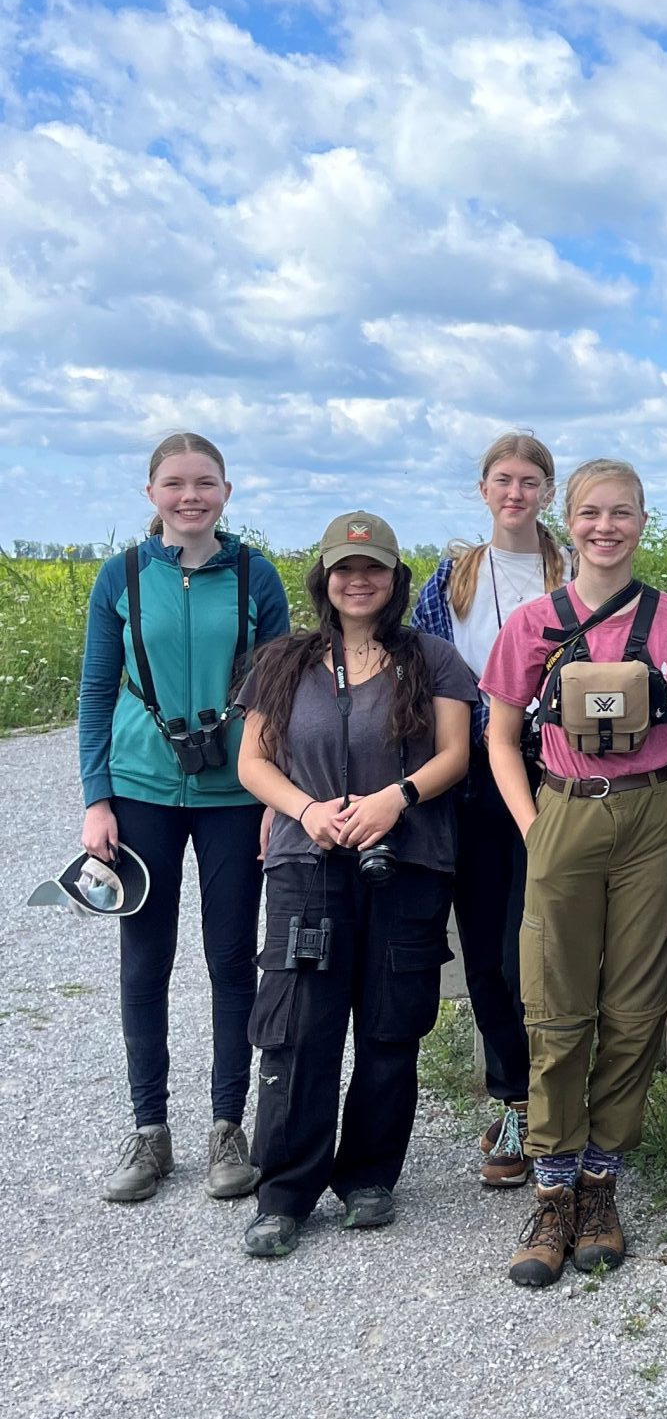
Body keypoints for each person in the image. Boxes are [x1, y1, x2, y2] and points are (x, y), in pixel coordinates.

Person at [481, 459, 667, 1289]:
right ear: (566, 522)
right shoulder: (532, 624)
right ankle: (552, 1191)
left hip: (651, 823)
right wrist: (536, 830)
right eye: (589, 513)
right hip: (564, 812)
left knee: (637, 1008)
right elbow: (501, 737)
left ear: (645, 521)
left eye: (621, 513)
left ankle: (601, 1185)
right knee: (557, 1009)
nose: (604, 527)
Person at [233, 513, 475, 1258]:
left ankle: (370, 1175)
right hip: (309, 866)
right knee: (298, 1029)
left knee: (389, 1024)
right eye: (345, 568)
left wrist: (392, 799)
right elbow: (254, 763)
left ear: (397, 579)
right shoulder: (283, 660)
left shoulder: (432, 658)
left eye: (374, 568)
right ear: (325, 578)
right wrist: (305, 810)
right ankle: (285, 1191)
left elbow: (456, 754)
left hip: (406, 863)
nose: (359, 580)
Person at [76, 434, 291, 1205]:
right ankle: (149, 1132)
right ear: (152, 493)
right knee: (145, 961)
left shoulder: (255, 577)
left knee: (232, 960)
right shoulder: (122, 575)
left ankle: (227, 1128)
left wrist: (276, 795)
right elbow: (97, 689)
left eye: (205, 484)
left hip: (235, 791)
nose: (190, 496)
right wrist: (95, 798)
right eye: (175, 484)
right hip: (141, 789)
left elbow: (276, 693)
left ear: (227, 493)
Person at [412, 433, 567, 1188]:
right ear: (483, 489)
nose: (516, 492)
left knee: (539, 943)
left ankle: (561, 1095)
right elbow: (431, 674)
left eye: (530, 480)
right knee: (485, 952)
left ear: (548, 490)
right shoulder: (453, 579)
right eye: (503, 480)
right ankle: (513, 1098)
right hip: (475, 777)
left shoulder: (569, 570)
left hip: (558, 774)